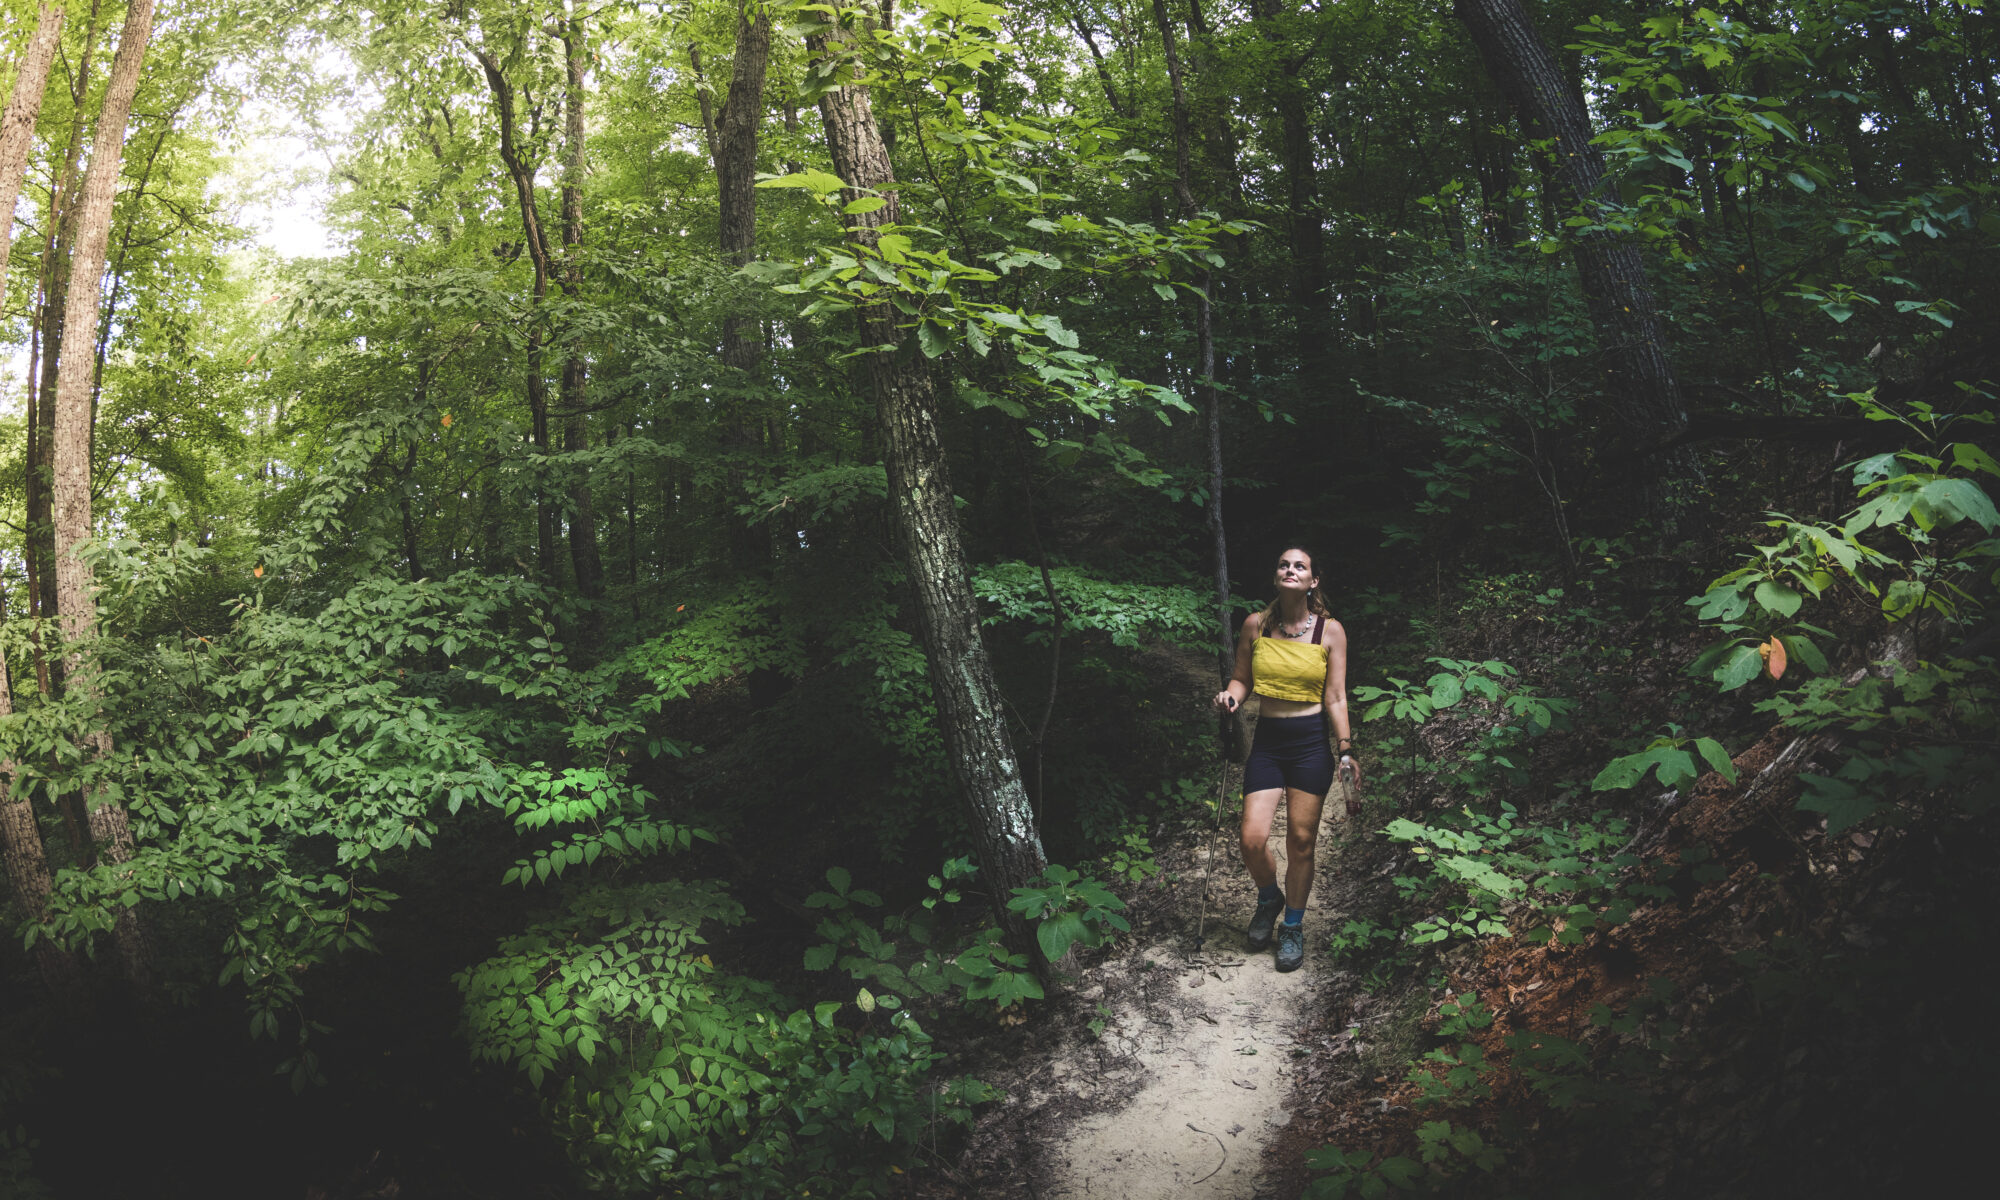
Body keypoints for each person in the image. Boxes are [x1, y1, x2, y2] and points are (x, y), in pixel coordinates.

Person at [1211, 546, 1361, 971]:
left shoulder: (1330, 632)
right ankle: (1268, 898)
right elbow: (1242, 679)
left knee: (1300, 840)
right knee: (1251, 839)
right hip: (1269, 742)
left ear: (1314, 581)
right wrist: (1231, 697)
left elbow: (1335, 696)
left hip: (1311, 743)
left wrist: (1345, 748)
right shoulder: (1256, 625)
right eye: (1283, 564)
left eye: (1300, 566)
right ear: (1276, 575)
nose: (1290, 569)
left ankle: (1292, 926)